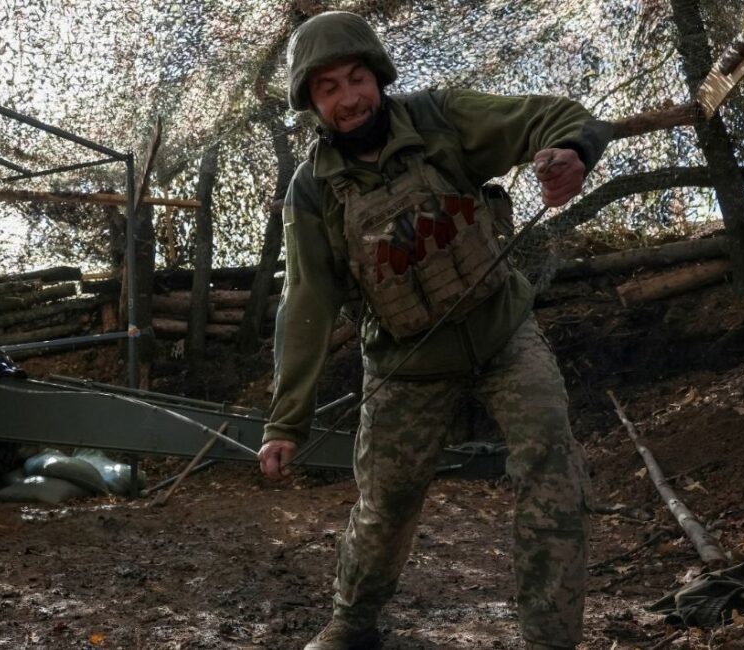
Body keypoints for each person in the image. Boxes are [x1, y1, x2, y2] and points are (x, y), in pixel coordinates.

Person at [257, 11, 613, 650]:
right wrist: (287, 423)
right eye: (328, 88)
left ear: (378, 76)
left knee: (550, 468)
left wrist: (570, 155)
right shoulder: (312, 191)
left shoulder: (441, 118)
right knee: (384, 502)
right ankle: (351, 623)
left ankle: (551, 639)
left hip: (503, 335)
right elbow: (305, 301)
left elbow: (552, 116)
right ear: (311, 103)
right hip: (405, 365)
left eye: (357, 79)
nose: (348, 98)